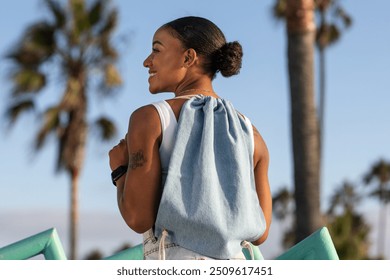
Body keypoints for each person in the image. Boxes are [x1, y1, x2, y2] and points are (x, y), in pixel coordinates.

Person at [108, 16, 272, 260]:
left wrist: (119, 171)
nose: (146, 61)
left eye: (156, 50)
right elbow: (260, 233)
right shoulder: (252, 135)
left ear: (188, 58)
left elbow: (138, 218)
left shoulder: (150, 119)